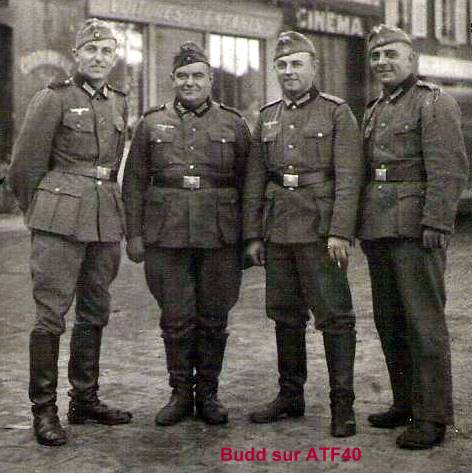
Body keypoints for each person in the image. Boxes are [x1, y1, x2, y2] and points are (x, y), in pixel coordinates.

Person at [8, 19, 132, 447]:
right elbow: (24, 167)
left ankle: (85, 399)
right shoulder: (53, 98)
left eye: (107, 52)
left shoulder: (119, 101)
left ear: (114, 58)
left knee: (95, 310)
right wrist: (42, 212)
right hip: (59, 220)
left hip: (103, 218)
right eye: (91, 50)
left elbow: (113, 166)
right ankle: (44, 410)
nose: (99, 58)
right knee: (50, 315)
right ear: (77, 54)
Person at [122, 42, 250, 426]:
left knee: (213, 317)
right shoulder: (150, 124)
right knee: (175, 318)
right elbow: (133, 184)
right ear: (172, 80)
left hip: (220, 235)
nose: (189, 82)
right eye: (182, 76)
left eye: (197, 76)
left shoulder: (234, 123)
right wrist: (134, 235)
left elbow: (251, 184)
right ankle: (179, 394)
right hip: (166, 234)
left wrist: (250, 237)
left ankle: (208, 395)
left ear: (210, 80)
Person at [243, 31, 362, 437]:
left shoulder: (336, 112)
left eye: (297, 64)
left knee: (335, 317)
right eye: (282, 65)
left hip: (319, 229)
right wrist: (253, 235)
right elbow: (256, 178)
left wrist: (340, 232)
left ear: (314, 68)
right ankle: (290, 396)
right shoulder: (268, 115)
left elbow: (348, 177)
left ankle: (342, 405)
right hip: (278, 230)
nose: (289, 71)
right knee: (284, 316)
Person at [358, 25, 468, 449]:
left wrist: (437, 223)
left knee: (424, 324)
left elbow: (449, 169)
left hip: (415, 229)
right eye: (376, 56)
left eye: (391, 54)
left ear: (411, 59)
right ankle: (405, 402)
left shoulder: (432, 102)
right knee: (391, 321)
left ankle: (433, 415)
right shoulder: (374, 108)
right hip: (379, 228)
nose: (382, 62)